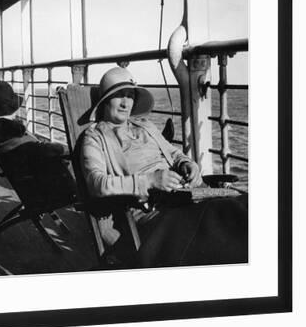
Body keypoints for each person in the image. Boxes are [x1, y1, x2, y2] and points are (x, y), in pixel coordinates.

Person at [80, 66, 248, 268]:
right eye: (118, 96)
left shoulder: (145, 126)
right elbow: (96, 183)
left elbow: (174, 153)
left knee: (246, 207)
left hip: (186, 195)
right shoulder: (95, 137)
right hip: (155, 213)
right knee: (224, 221)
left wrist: (187, 164)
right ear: (105, 100)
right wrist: (151, 180)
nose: (126, 103)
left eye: (130, 95)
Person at [0, 81, 76, 208]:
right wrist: (63, 149)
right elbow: (35, 150)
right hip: (50, 189)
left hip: (28, 179)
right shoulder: (13, 136)